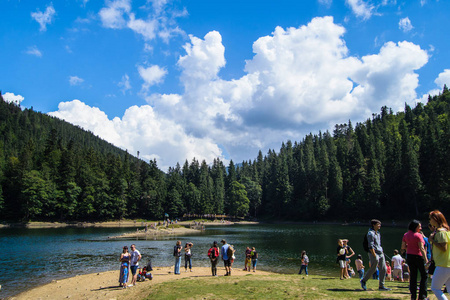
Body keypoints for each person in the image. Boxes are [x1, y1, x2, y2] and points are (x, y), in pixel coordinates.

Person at [360, 219, 390, 291]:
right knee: (373, 269)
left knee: (383, 269)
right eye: (378, 224)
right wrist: (374, 255)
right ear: (374, 225)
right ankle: (363, 281)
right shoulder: (370, 233)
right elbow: (371, 246)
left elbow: (378, 244)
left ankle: (381, 286)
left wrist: (381, 252)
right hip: (373, 253)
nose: (380, 226)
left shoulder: (378, 233)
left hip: (380, 253)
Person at [401, 220, 428, 300]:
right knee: (424, 275)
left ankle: (413, 296)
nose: (421, 228)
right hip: (418, 256)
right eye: (419, 227)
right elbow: (421, 248)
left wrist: (409, 247)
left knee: (413, 276)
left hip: (409, 256)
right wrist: (426, 260)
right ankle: (422, 296)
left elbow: (403, 247)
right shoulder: (418, 235)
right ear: (415, 227)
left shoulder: (406, 235)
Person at [429, 210, 450, 300]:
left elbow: (444, 248)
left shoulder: (441, 232)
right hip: (447, 263)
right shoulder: (446, 231)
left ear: (435, 219)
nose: (429, 221)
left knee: (435, 288)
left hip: (443, 264)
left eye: (430, 219)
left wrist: (432, 240)